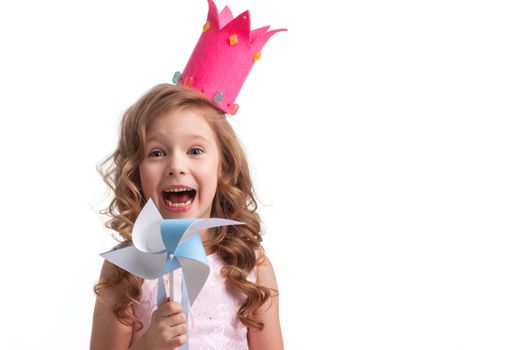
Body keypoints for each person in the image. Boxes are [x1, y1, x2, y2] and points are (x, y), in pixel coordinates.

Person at [90, 83, 283, 350]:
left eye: (195, 151)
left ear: (222, 166)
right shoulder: (125, 272)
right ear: (135, 171)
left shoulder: (251, 265)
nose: (176, 167)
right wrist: (149, 344)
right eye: (157, 153)